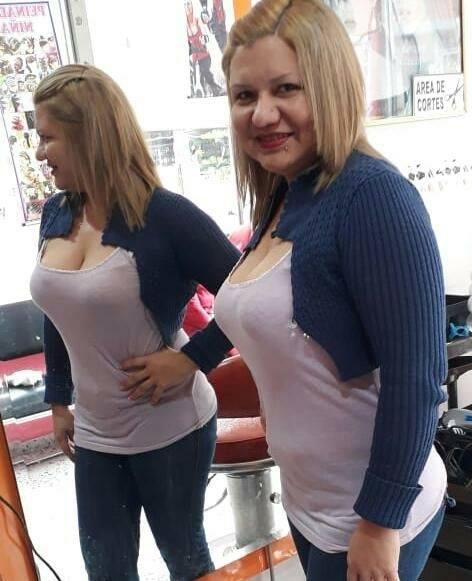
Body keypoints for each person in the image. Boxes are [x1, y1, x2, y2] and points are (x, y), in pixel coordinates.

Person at [214, 2, 449, 580]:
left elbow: (417, 378)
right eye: (244, 96)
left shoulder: (372, 196)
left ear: (330, 86)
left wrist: (380, 522)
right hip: (310, 504)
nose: (262, 113)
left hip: (370, 514)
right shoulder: (285, 193)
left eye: (285, 89)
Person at [29, 64, 240, 581]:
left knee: (186, 564)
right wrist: (58, 400)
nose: (38, 153)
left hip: (170, 426)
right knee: (106, 571)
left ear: (89, 136)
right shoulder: (57, 213)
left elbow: (251, 298)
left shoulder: (164, 216)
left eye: (48, 138)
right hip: (96, 433)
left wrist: (192, 359)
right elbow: (59, 311)